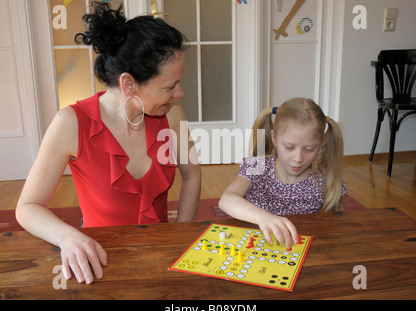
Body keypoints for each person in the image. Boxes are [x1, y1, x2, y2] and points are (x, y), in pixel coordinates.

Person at [16, 2, 201, 285]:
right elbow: (27, 207)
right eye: (168, 87)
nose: (180, 93)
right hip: (97, 260)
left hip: (160, 256)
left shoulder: (172, 114)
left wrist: (181, 235)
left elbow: (192, 174)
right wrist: (68, 237)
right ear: (129, 84)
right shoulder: (70, 123)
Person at [219, 98, 346, 249]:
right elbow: (226, 199)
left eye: (309, 149)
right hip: (258, 247)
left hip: (300, 250)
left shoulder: (324, 178)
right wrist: (264, 218)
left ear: (320, 145)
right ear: (274, 138)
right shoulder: (258, 166)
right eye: (289, 147)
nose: (298, 159)